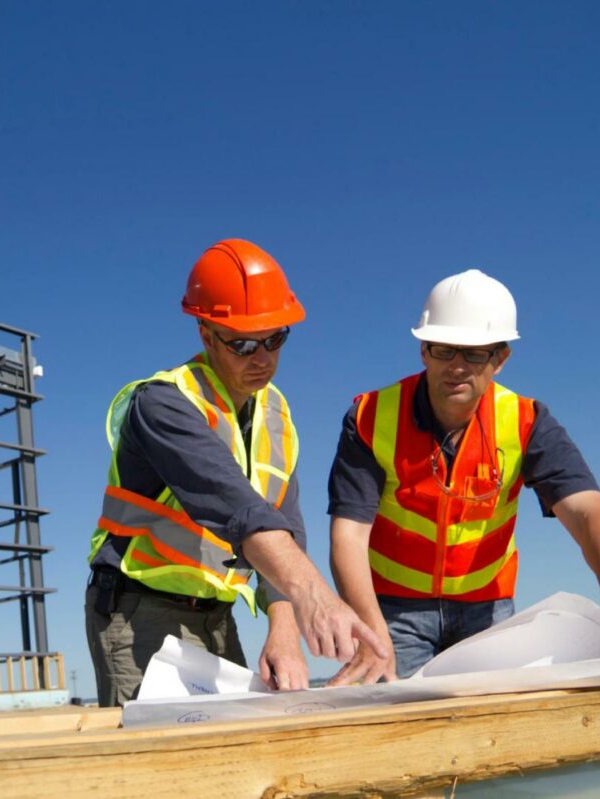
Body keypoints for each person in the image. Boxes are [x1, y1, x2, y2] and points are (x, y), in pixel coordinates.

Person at [326, 269, 600, 685]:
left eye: (474, 353)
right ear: (423, 350)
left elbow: (588, 513)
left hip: (486, 610)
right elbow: (348, 535)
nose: (456, 367)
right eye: (444, 349)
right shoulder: (369, 417)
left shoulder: (527, 422)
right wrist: (369, 628)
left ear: (500, 359)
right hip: (392, 610)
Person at [85, 238, 384, 707]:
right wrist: (315, 596)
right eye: (242, 343)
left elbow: (284, 524)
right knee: (159, 768)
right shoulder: (164, 404)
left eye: (274, 338)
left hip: (216, 616)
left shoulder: (275, 414)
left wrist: (283, 627)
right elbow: (241, 510)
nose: (261, 357)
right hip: (138, 609)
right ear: (206, 334)